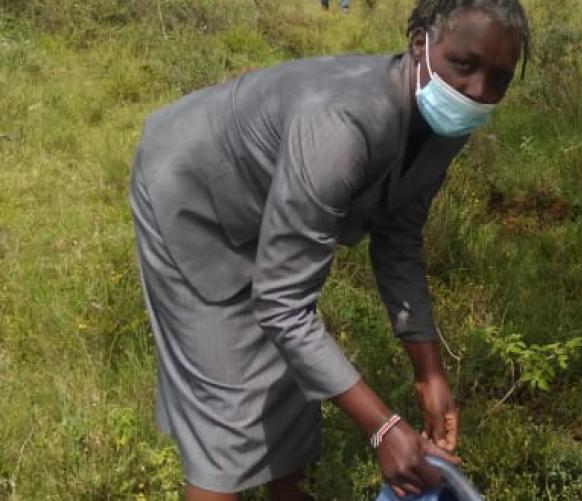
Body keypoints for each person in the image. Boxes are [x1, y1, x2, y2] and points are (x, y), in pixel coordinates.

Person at [128, 1, 530, 499]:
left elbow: (399, 240)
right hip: (193, 194)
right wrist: (382, 428)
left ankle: (286, 491)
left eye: (499, 80)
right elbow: (281, 303)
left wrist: (428, 372)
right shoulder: (342, 125)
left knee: (290, 379)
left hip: (273, 201)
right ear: (420, 42)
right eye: (465, 64)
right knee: (225, 411)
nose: (477, 91)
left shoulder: (447, 125)